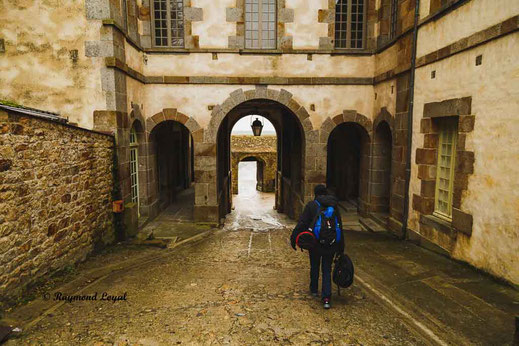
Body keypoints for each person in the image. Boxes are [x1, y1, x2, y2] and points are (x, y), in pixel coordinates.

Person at [290, 184, 344, 309]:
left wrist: (294, 238)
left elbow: (302, 223)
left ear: (315, 194)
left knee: (314, 265)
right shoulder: (334, 206)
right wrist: (340, 247)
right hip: (330, 244)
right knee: (326, 269)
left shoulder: (311, 205)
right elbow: (339, 227)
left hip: (314, 243)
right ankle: (326, 298)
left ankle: (314, 289)